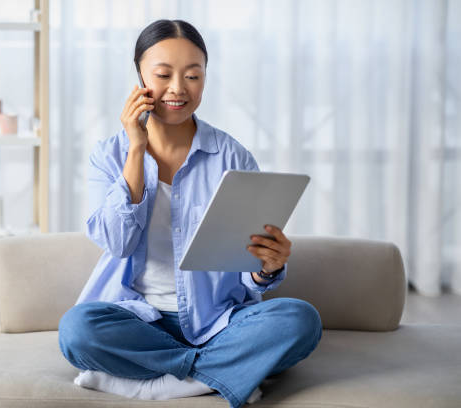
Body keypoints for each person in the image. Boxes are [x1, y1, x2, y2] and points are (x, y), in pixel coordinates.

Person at [58, 19, 322, 408]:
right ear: (140, 76)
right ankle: (217, 376)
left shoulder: (233, 156)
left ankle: (163, 380)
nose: (178, 88)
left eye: (193, 76)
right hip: (137, 320)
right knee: (77, 331)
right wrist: (135, 149)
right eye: (163, 74)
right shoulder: (109, 155)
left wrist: (266, 267)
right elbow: (117, 243)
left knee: (301, 320)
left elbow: (249, 274)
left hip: (218, 322)